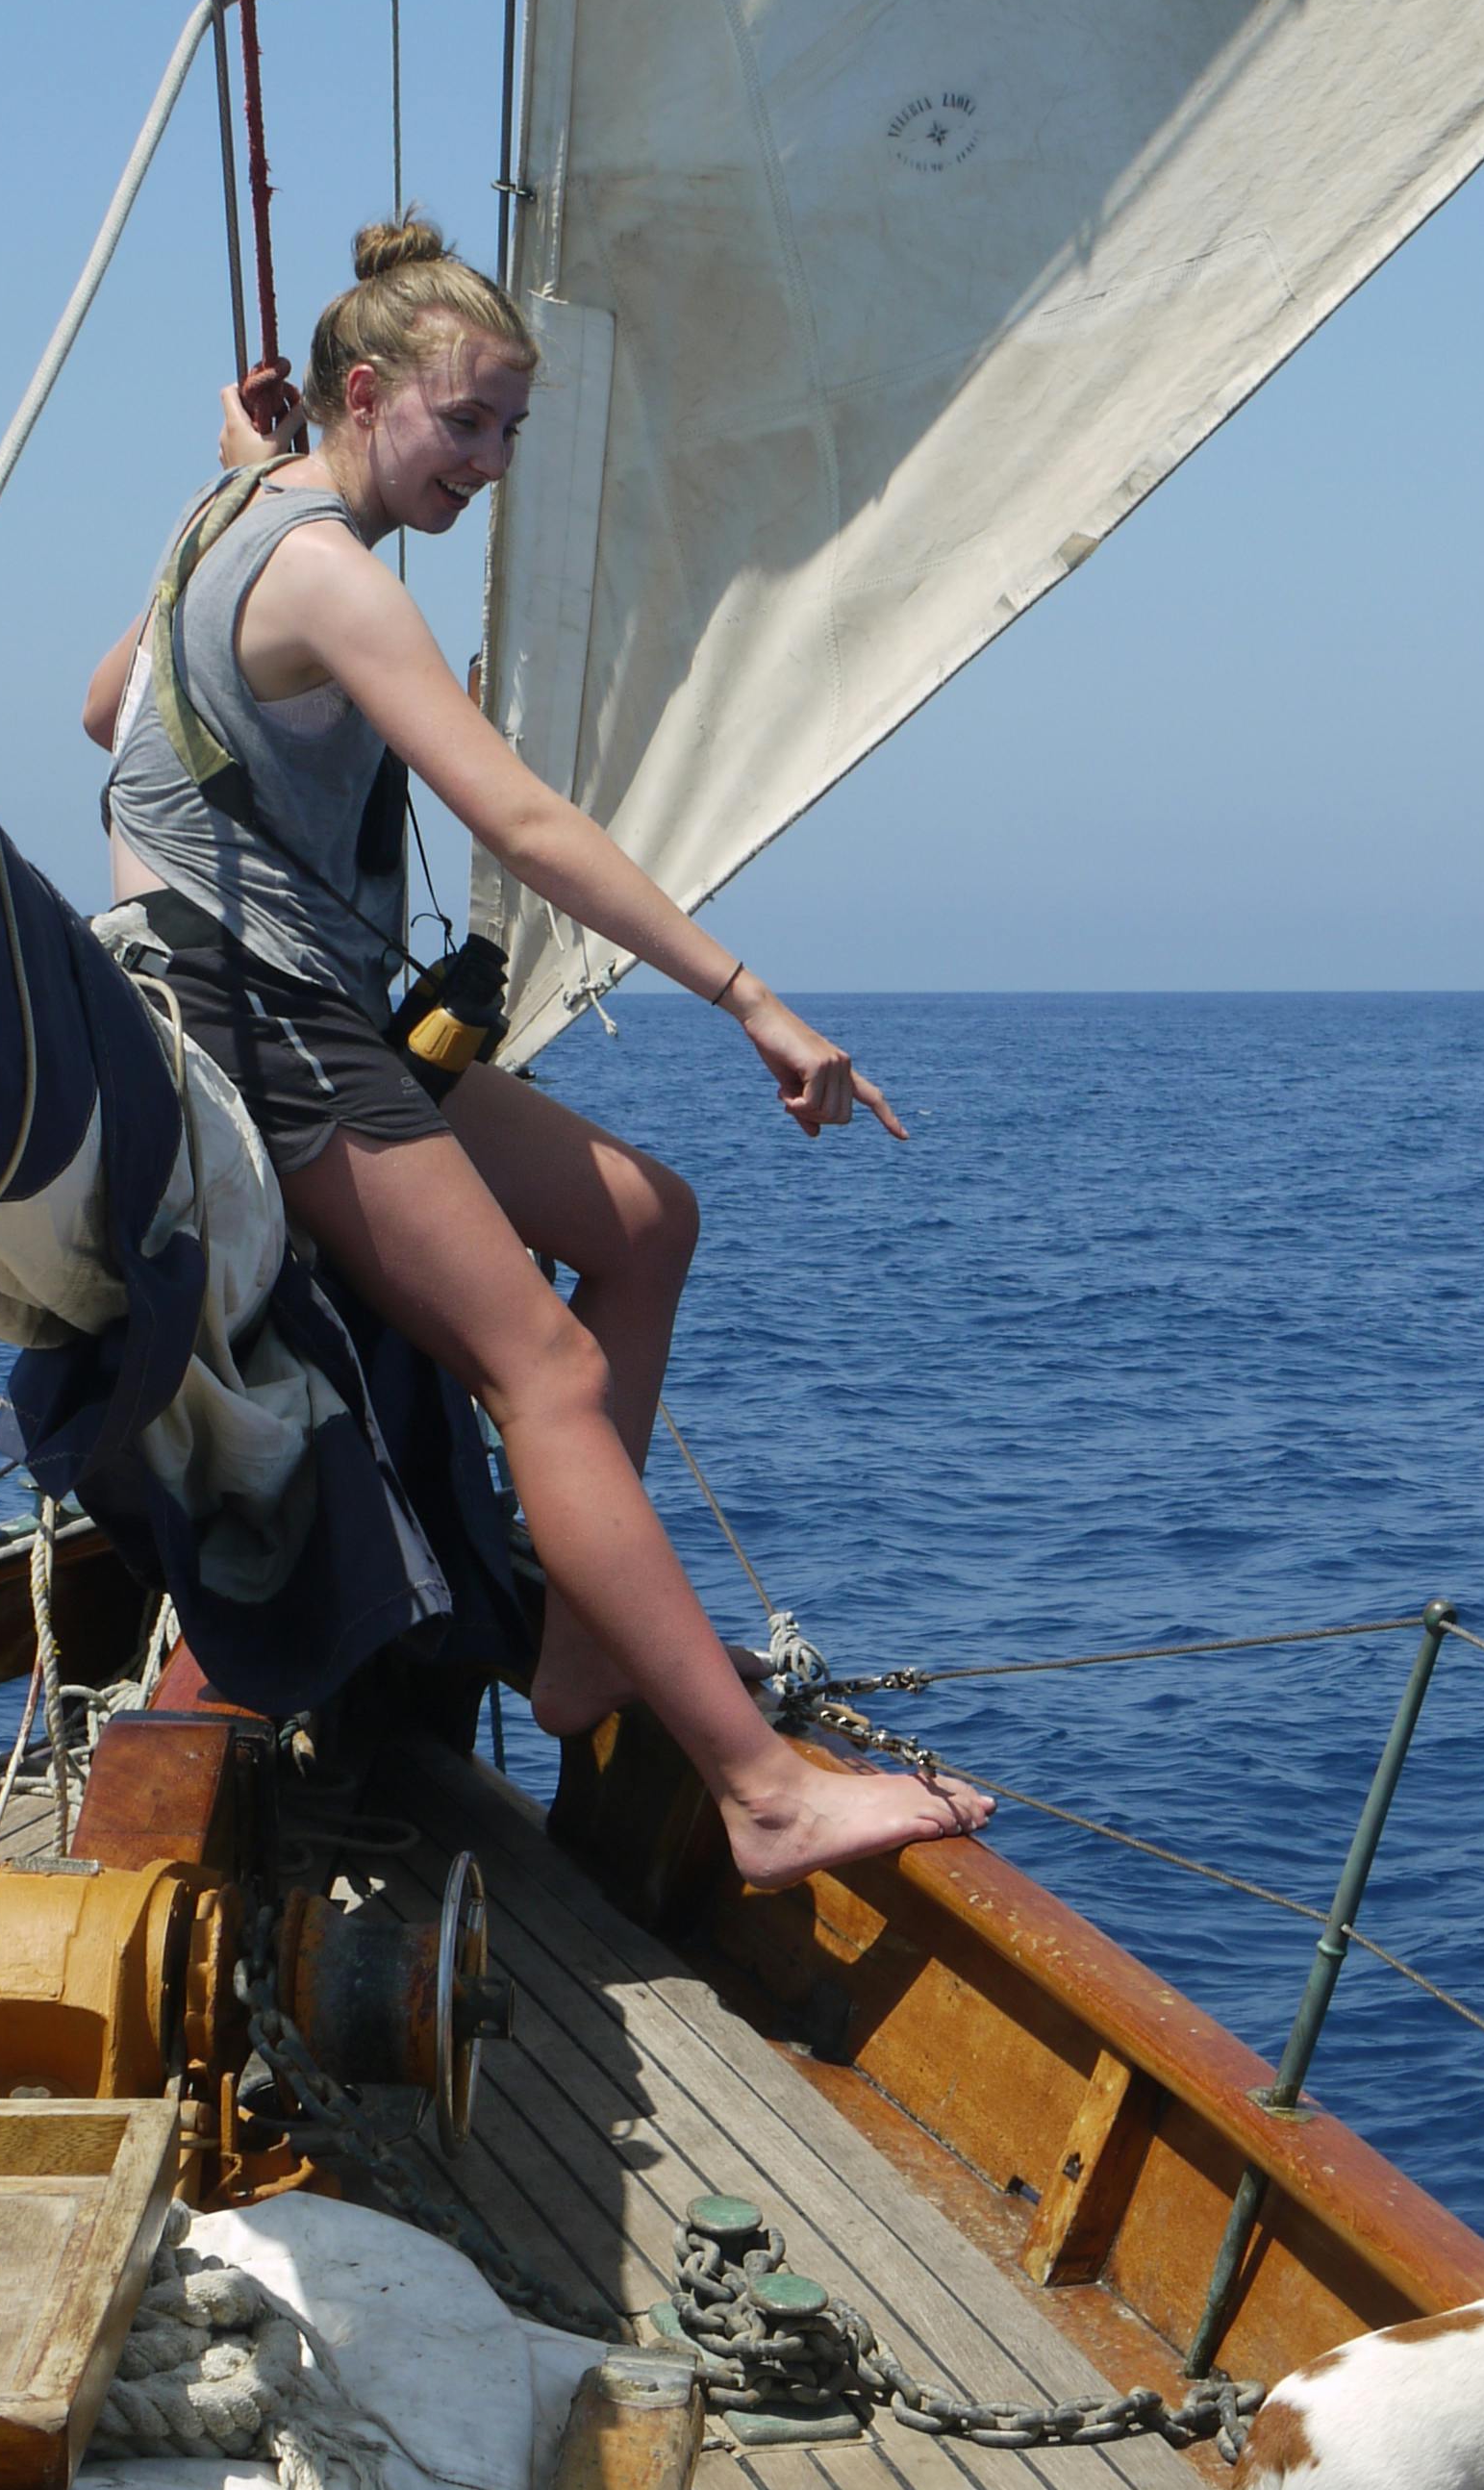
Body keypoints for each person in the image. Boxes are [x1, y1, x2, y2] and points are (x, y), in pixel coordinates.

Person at [87, 215, 990, 1890]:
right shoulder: (327, 571)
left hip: (294, 1002)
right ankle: (762, 1792)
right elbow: (512, 812)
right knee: (547, 1374)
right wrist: (750, 1001)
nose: (492, 465)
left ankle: (579, 1652)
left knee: (645, 1223)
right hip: (251, 1020)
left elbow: (106, 716)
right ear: (366, 395)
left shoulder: (231, 514)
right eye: (466, 424)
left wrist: (255, 477)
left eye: (512, 430)